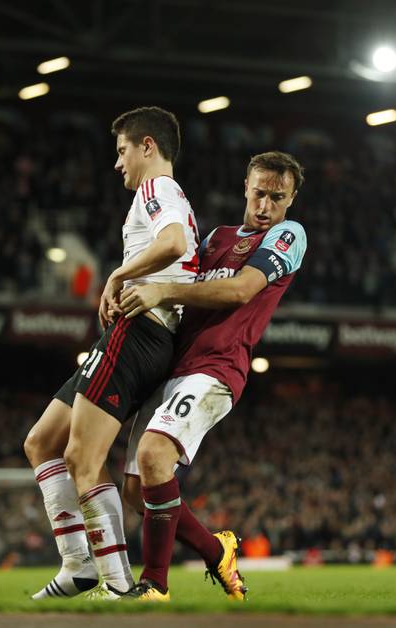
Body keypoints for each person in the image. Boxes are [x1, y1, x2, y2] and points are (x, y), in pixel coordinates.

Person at [23, 106, 200, 599]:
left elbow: (174, 242)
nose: (118, 162)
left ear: (148, 146)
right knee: (41, 442)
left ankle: (117, 584)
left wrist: (120, 274)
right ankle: (76, 564)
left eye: (123, 151)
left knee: (82, 455)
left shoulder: (157, 187)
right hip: (139, 334)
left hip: (139, 332)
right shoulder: (170, 195)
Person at [116, 151, 308, 601]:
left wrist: (161, 290)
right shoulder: (217, 237)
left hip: (217, 368)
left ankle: (155, 585)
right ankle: (216, 551)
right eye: (259, 194)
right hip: (174, 365)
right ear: (245, 188)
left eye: (277, 198)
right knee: (136, 492)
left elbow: (240, 290)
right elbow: (184, 287)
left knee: (154, 453)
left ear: (291, 200)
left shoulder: (288, 235)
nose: (265, 206)